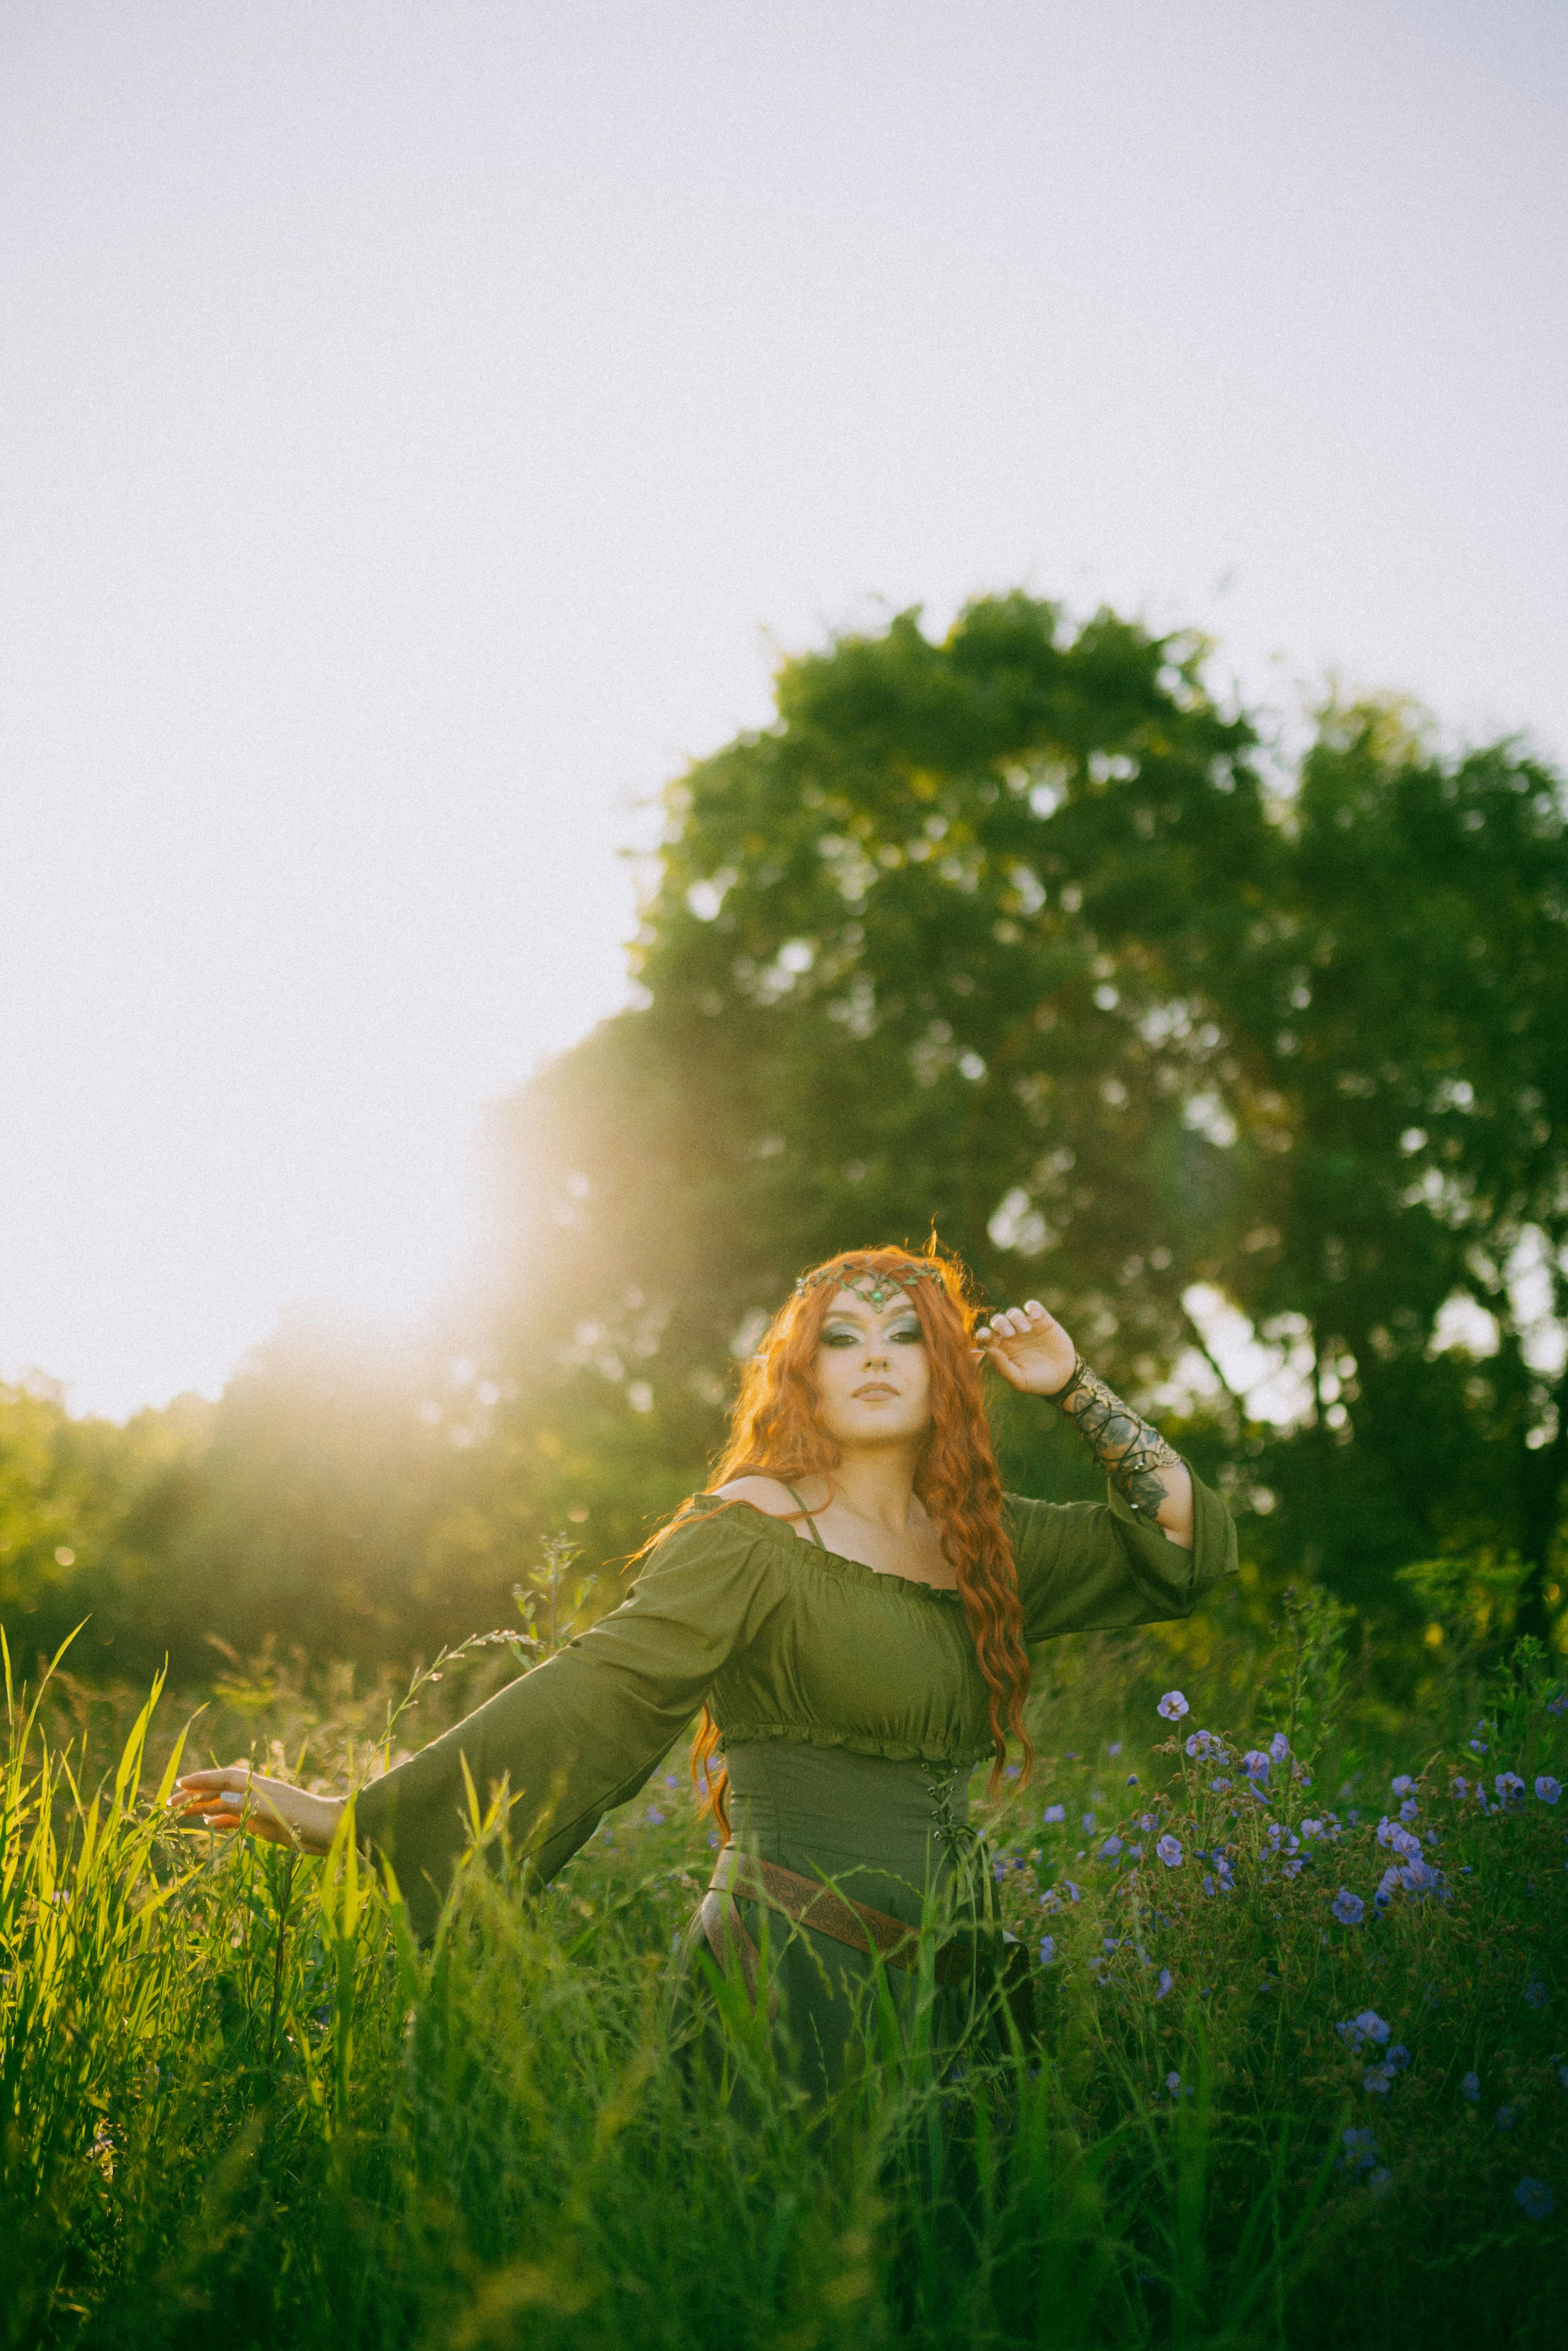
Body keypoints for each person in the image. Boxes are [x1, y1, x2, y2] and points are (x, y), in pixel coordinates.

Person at [174, 1245, 1235, 2097]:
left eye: (908, 1336)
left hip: (965, 2000)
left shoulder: (987, 1544)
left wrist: (1074, 1387)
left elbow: (1183, 1548)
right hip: (797, 1973)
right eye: (844, 1338)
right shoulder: (749, 1530)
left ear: (946, 1372)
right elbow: (601, 1689)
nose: (876, 1355)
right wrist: (352, 1815)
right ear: (804, 1373)